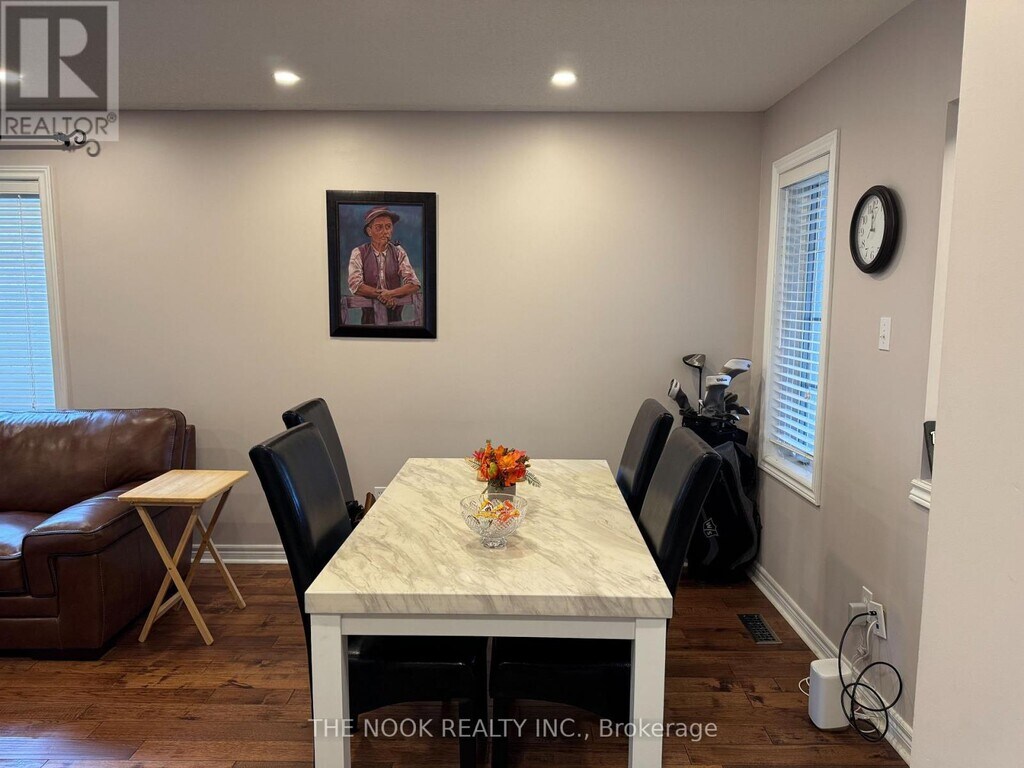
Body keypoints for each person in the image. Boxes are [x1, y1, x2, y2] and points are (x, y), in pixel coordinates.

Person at [347, 206, 421, 324]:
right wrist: (381, 295)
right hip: (368, 322)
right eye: (379, 227)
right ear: (369, 231)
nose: (385, 232)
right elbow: (356, 286)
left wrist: (390, 294)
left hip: (396, 320)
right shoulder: (358, 253)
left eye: (388, 227)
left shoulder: (399, 252)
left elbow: (414, 284)